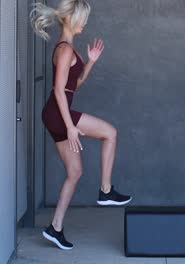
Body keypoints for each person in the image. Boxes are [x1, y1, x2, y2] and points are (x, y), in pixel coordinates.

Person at [30, 0, 132, 250]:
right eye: (83, 19)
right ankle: (106, 190)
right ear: (72, 20)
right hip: (57, 114)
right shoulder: (65, 50)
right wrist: (70, 126)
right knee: (110, 133)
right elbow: (58, 91)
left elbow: (73, 86)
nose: (85, 23)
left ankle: (55, 228)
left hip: (54, 114)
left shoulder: (68, 48)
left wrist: (91, 62)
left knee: (74, 173)